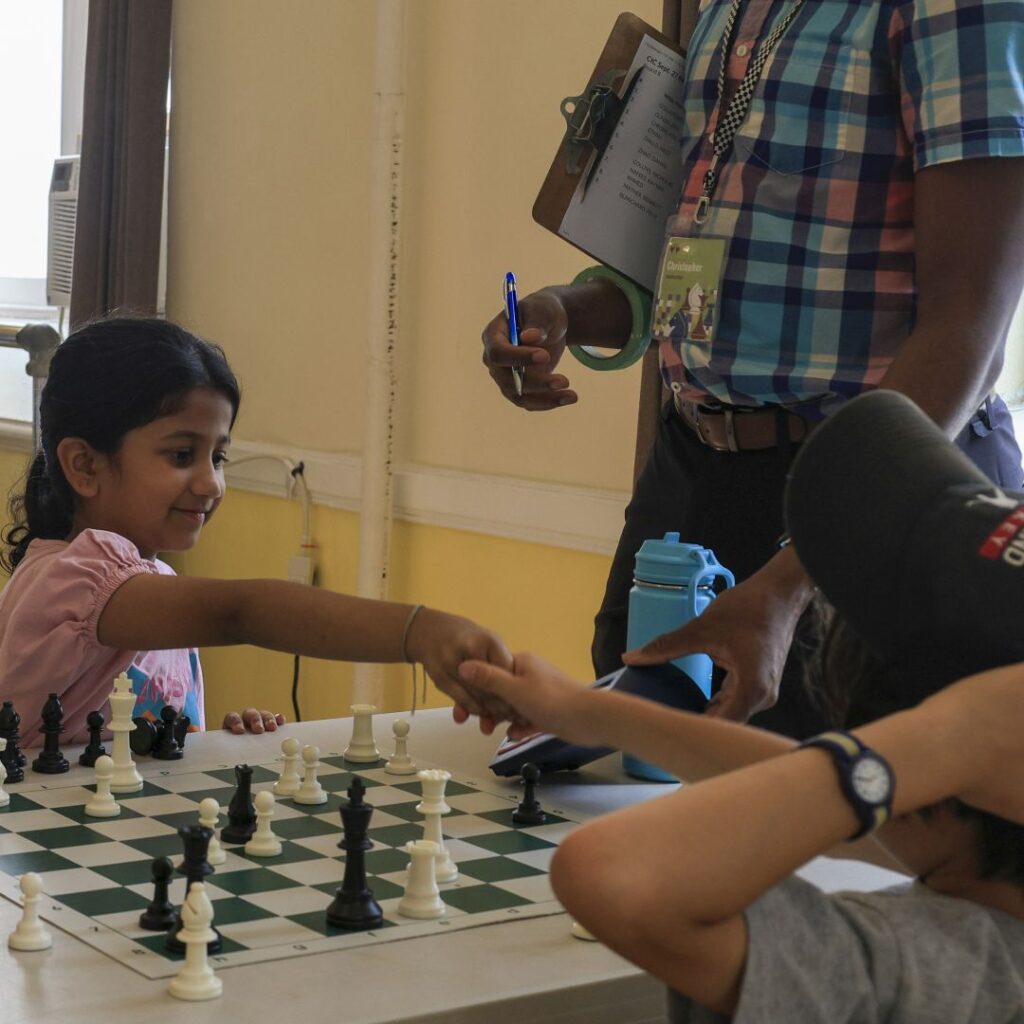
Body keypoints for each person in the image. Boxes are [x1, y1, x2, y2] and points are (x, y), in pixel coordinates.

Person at [480, 0, 1024, 736]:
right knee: (638, 799)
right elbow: (695, 273)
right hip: (695, 476)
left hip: (879, 496)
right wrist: (566, 309)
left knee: (840, 829)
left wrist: (794, 581)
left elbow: (970, 331)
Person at [457, 391, 1024, 1022]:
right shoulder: (956, 835)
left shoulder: (914, 973)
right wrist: (593, 715)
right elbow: (831, 789)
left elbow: (609, 872)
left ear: (934, 769)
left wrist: (945, 738)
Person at [0, 317, 513, 745]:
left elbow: (150, 739)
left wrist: (212, 743)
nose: (211, 482)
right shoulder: (70, 582)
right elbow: (243, 612)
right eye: (182, 455)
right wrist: (418, 631)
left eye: (218, 456)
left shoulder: (149, 581)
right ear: (84, 465)